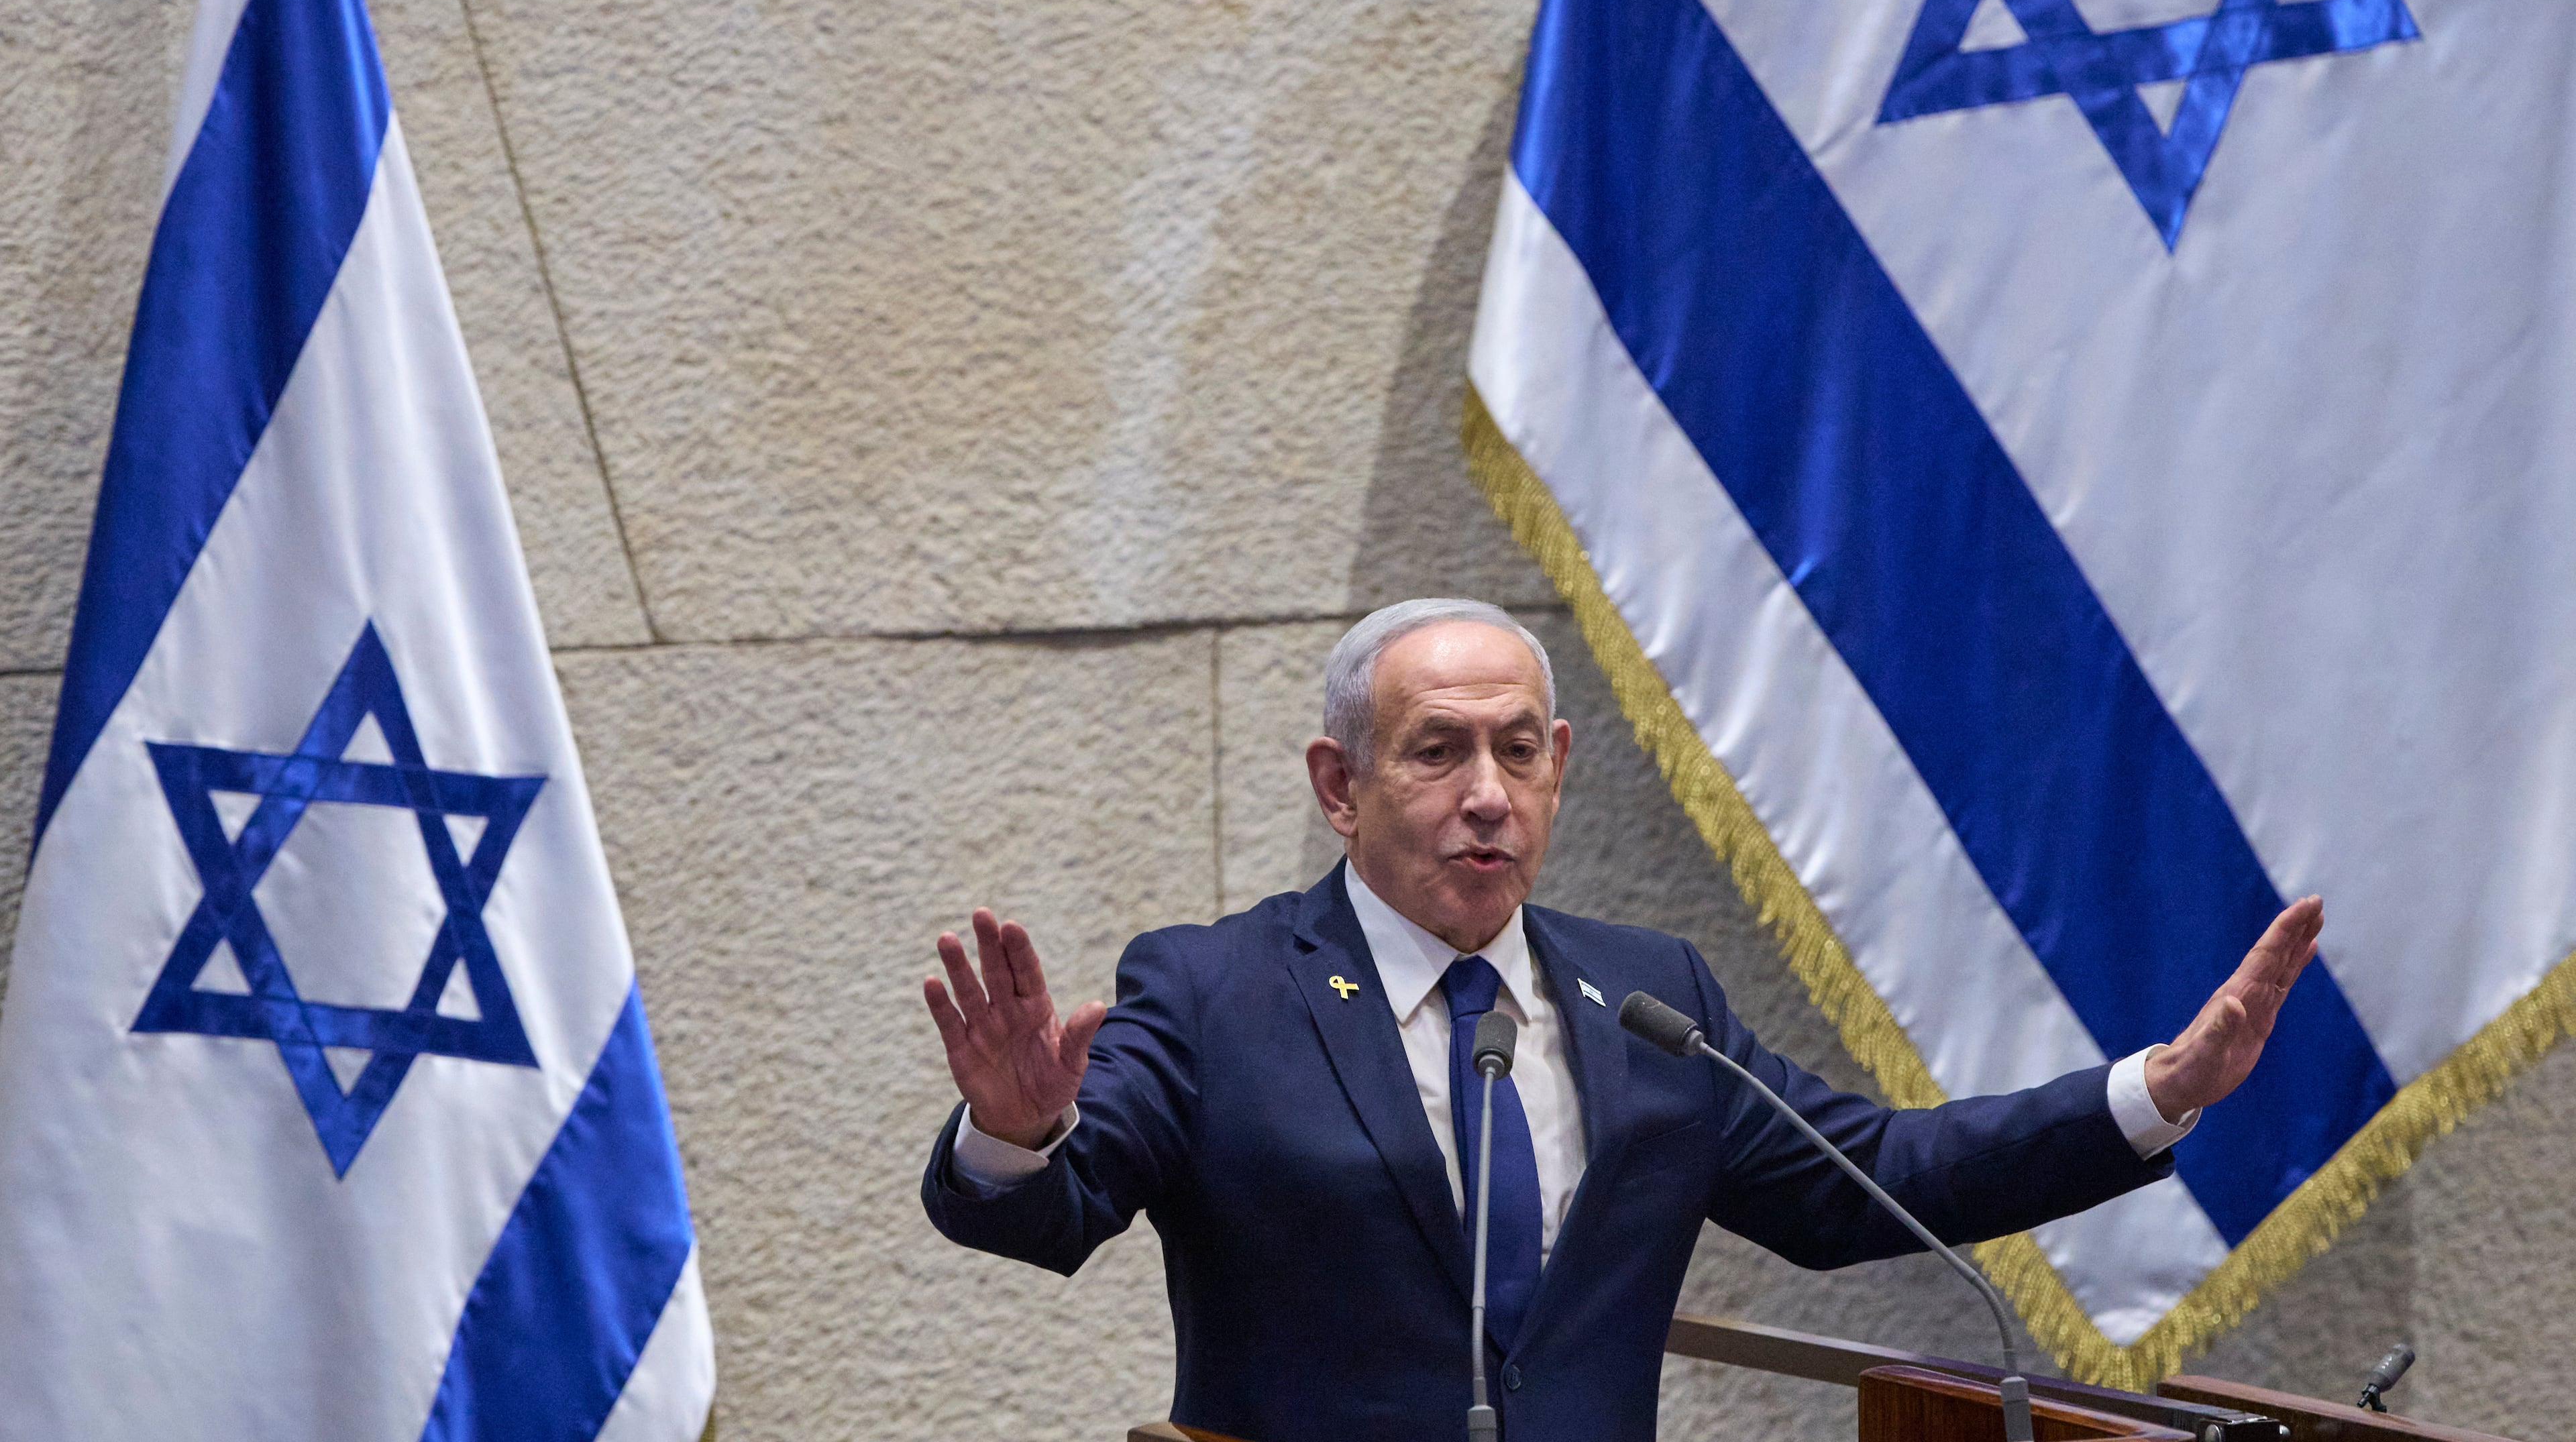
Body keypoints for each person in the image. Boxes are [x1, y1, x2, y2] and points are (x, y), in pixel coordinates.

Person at [918, 598, 2322, 1442]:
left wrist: (2157, 1089)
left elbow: (1871, 1184)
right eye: (1438, 751)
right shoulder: (1215, 989)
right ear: (1339, 784)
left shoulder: (1651, 1002)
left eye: (1518, 751)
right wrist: (1018, 1127)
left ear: (1559, 766)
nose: (1488, 793)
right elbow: (1053, 1212)